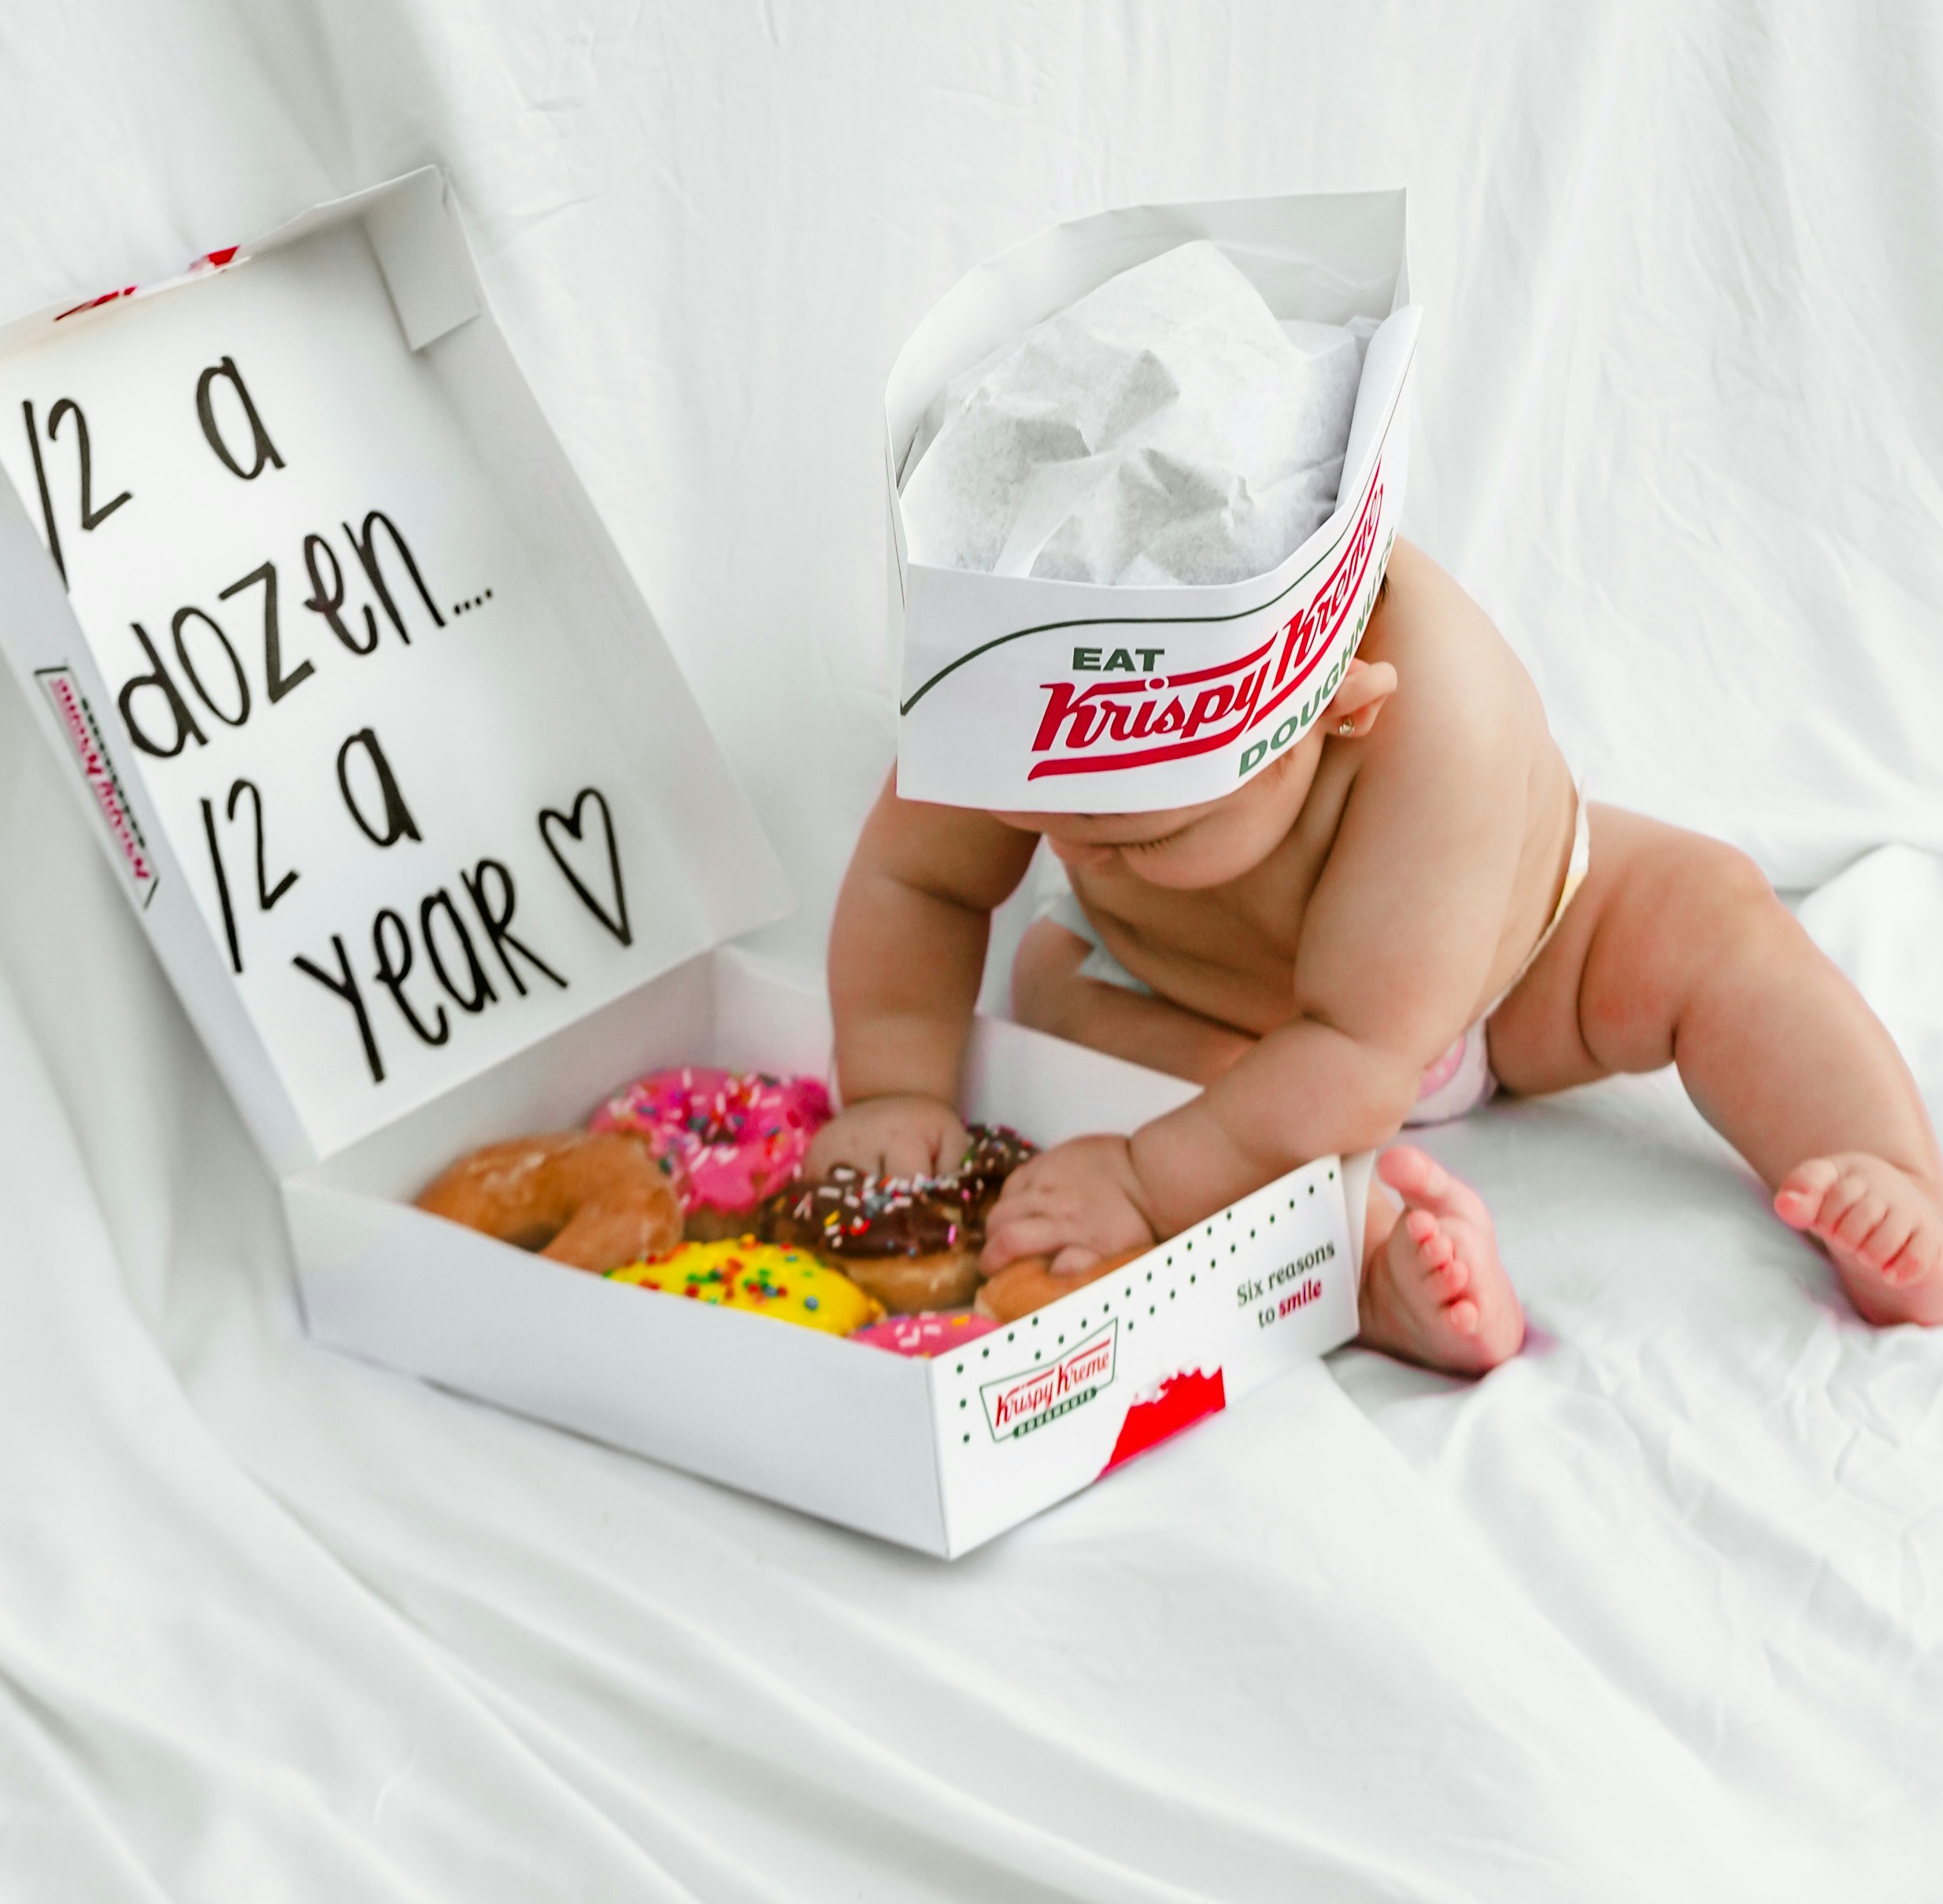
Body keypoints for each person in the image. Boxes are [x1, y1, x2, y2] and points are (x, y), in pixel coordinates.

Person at [815, 542, 1943, 1370]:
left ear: (1337, 709)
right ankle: (1379, 1277)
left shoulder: (1446, 707)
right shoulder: (1026, 689)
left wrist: (1148, 1177)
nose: (1080, 842)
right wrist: (896, 1084)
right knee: (1087, 1018)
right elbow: (920, 879)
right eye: (1058, 822)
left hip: (1522, 959)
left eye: (1147, 835)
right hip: (1205, 1010)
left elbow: (1362, 1053)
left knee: (1713, 914)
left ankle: (1887, 1172)